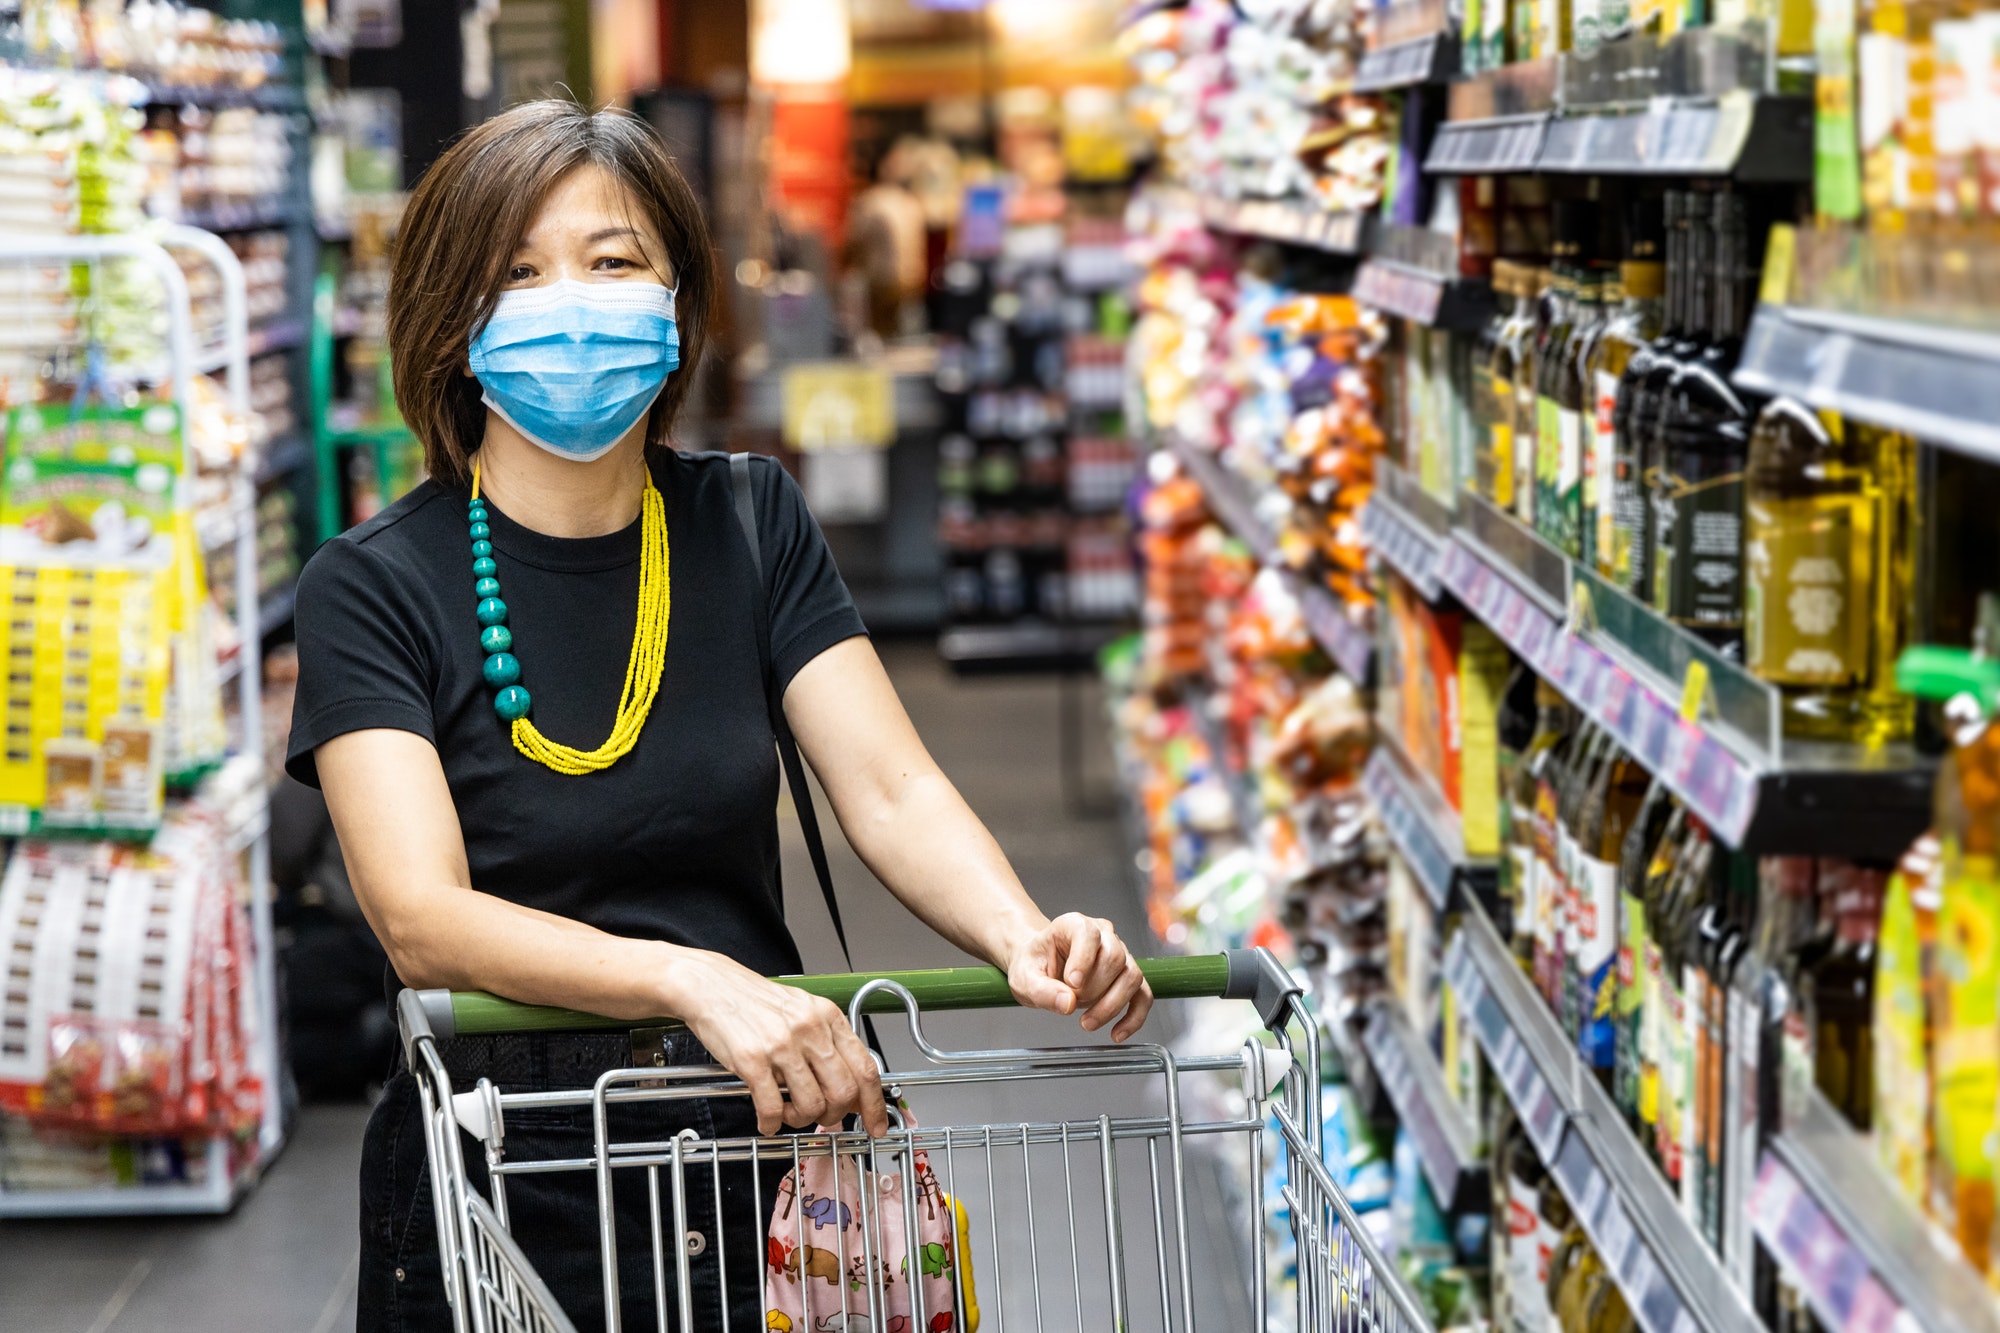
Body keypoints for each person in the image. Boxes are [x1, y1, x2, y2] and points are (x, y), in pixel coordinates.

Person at [287, 100, 1154, 1332]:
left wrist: (1020, 933)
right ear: (451, 320)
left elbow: (892, 790)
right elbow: (421, 917)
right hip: (503, 1167)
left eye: (611, 260)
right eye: (517, 272)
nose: (570, 301)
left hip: (749, 1139)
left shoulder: (746, 521)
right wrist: (691, 978)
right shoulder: (373, 583)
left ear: (678, 299)